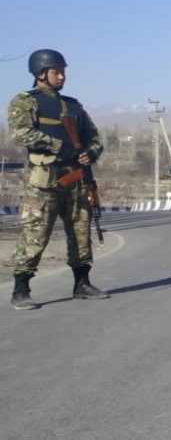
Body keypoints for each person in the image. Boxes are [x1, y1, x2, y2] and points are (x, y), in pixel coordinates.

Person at [8, 49, 109, 310]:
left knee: (81, 232)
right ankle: (21, 289)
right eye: (57, 71)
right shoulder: (26, 102)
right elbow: (20, 133)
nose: (62, 76)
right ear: (41, 73)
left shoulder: (73, 106)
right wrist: (58, 145)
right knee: (35, 233)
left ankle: (82, 284)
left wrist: (90, 153)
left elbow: (94, 137)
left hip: (76, 179)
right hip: (44, 182)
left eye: (63, 71)